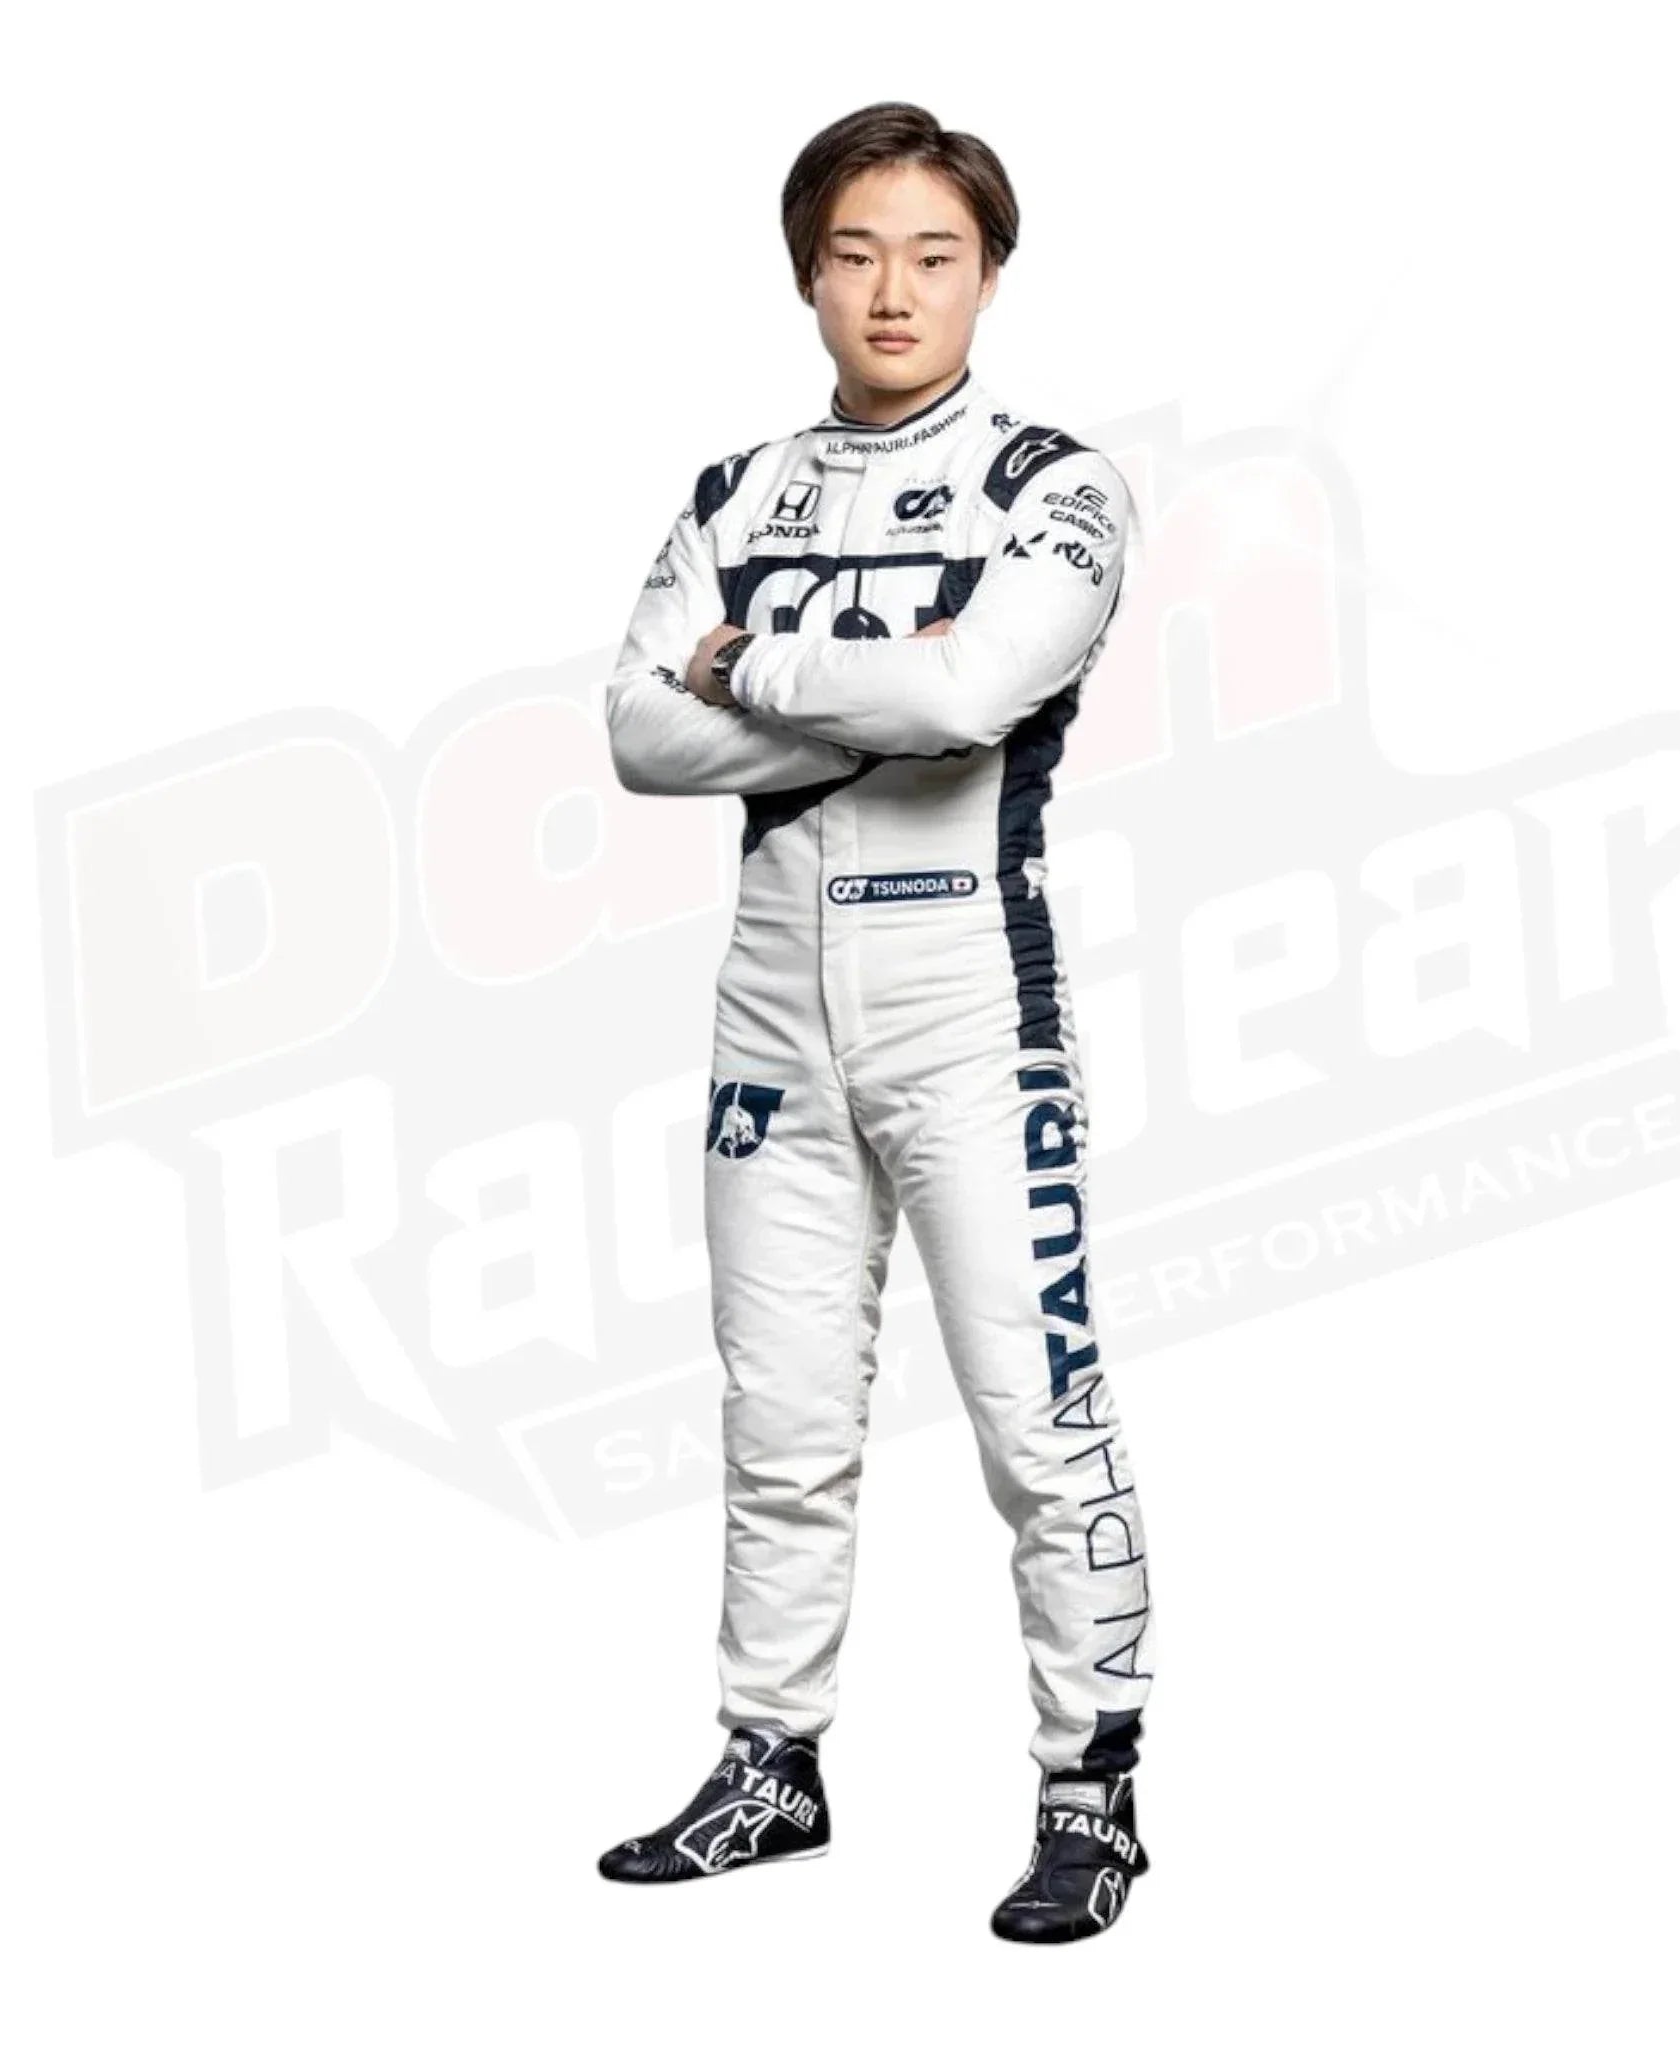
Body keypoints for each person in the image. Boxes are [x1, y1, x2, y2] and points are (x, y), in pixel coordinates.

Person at [596, 102, 1156, 1943]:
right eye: (855, 254)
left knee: (1036, 1422)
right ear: (806, 276)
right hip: (771, 1020)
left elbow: (973, 694)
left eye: (934, 254)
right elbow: (636, 734)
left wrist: (749, 666)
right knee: (779, 1424)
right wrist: (878, 695)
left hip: (970, 1011)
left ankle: (1090, 1794)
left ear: (989, 274)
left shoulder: (1055, 486)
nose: (893, 290)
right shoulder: (733, 492)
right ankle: (772, 1765)